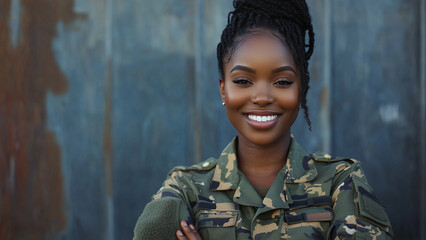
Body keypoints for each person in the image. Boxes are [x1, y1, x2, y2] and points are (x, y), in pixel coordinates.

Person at [133, 0, 393, 239]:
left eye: (282, 81)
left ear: (301, 88)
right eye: (243, 81)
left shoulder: (341, 183)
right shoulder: (185, 189)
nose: (261, 97)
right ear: (223, 89)